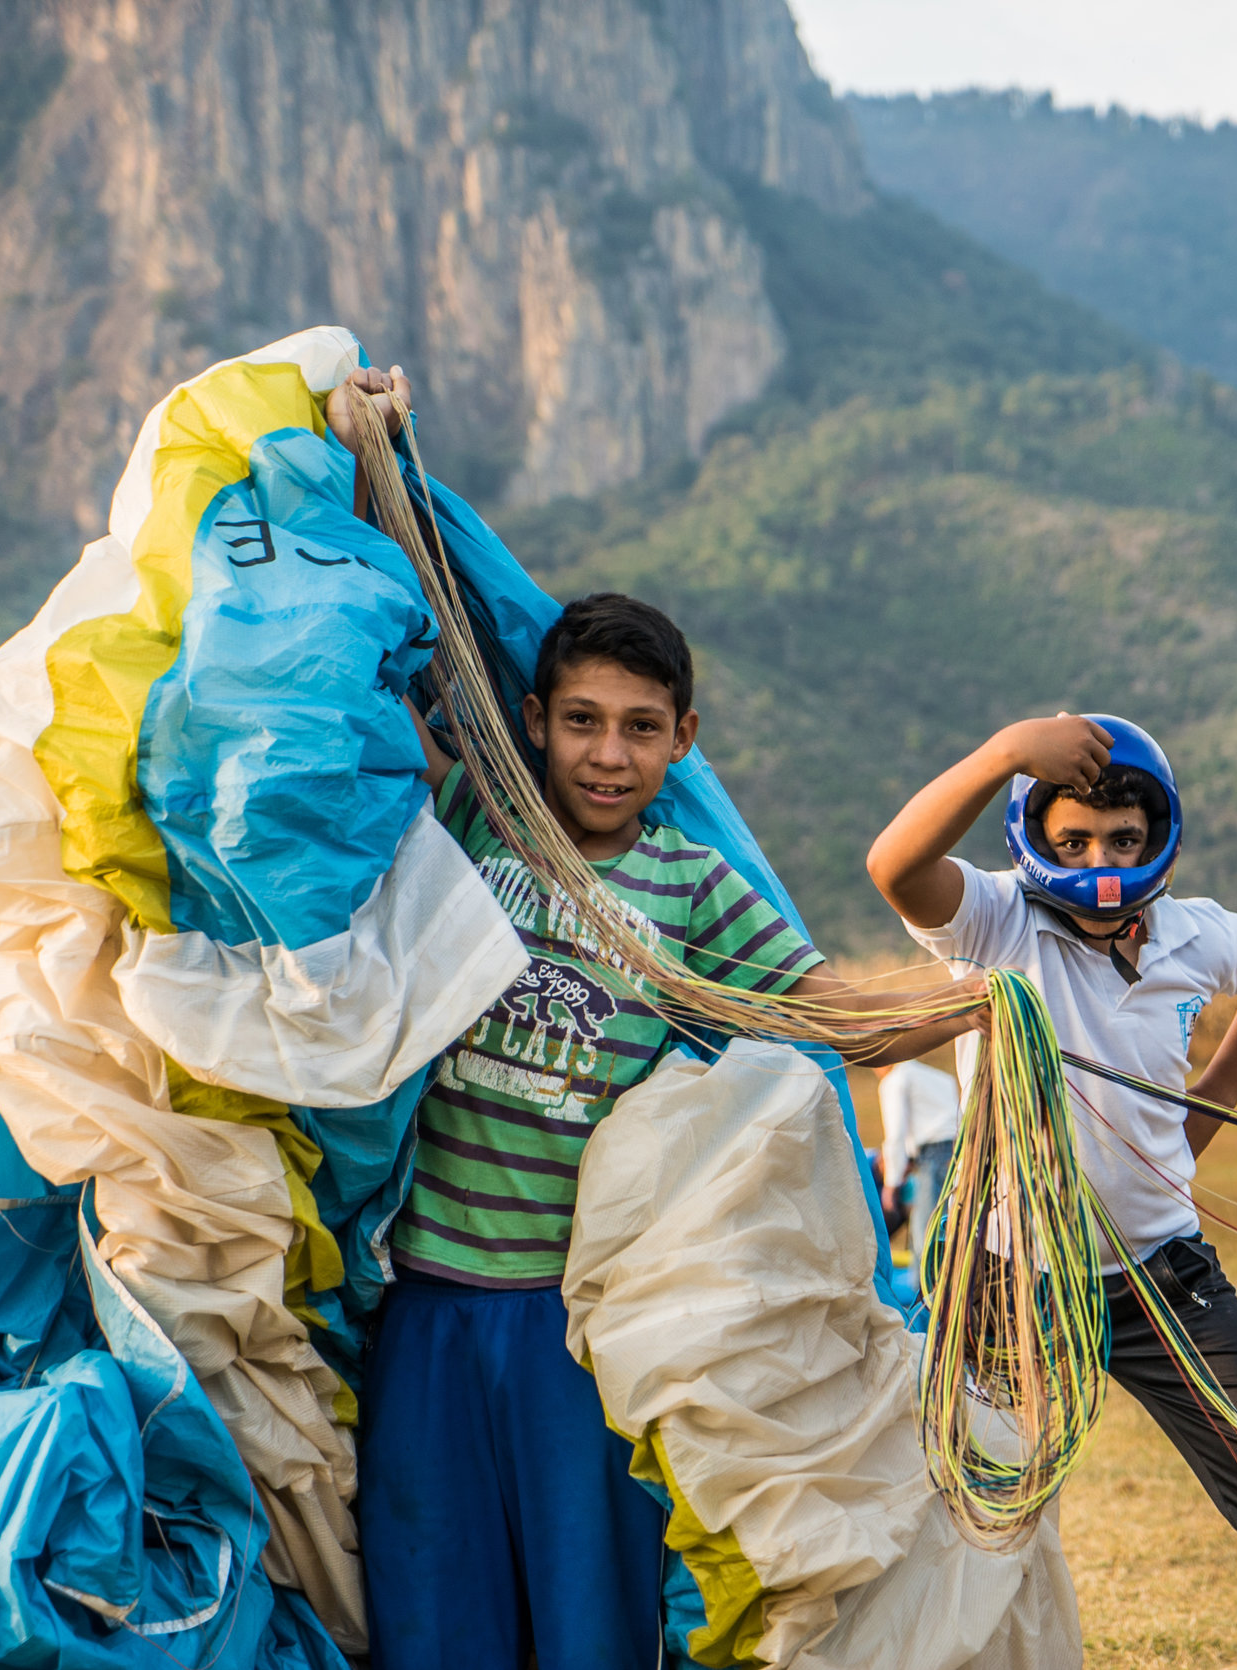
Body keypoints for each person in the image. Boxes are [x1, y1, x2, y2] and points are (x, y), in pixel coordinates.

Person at [359, 588, 980, 1670]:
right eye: (583, 720)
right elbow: (374, 655)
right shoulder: (472, 819)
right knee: (431, 1618)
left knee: (590, 1625)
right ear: (537, 717)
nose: (608, 754)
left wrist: (989, 1005)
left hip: (578, 1336)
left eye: (641, 727)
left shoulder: (690, 889)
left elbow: (830, 1014)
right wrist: (362, 432)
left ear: (682, 739)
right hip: (423, 1313)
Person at [868, 713, 1237, 1670]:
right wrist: (1006, 750)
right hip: (1010, 1283)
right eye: (1074, 840)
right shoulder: (997, 922)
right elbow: (896, 865)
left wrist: (1211, 1101)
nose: (1101, 860)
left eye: (1123, 839)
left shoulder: (1194, 934)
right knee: (967, 1526)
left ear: (1158, 836)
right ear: (1033, 841)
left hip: (1166, 1280)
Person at [875, 1057, 962, 1245]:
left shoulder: (894, 1080)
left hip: (932, 1158)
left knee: (927, 1239)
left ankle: (929, 1274)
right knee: (943, 1230)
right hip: (957, 1150)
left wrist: (891, 1184)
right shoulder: (935, 1076)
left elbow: (895, 1134)